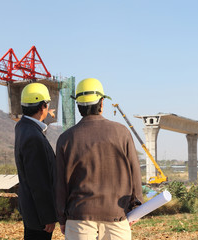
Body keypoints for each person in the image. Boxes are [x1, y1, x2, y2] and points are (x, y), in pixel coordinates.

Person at [55, 78, 143, 240]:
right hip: (117, 216)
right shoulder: (122, 132)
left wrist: (61, 217)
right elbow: (134, 172)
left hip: (79, 218)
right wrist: (136, 206)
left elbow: (60, 183)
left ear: (78, 105)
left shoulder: (65, 139)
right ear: (102, 103)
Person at [14, 83, 57, 240]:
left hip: (31, 209)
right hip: (39, 216)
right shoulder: (34, 137)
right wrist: (47, 216)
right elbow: (38, 180)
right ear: (42, 107)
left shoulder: (23, 127)